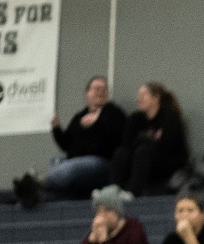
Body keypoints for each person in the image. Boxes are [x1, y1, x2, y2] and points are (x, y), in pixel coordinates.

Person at [18, 76, 130, 208]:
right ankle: (36, 193)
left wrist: (98, 122)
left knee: (70, 168)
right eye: (97, 89)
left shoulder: (115, 113)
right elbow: (66, 144)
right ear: (87, 93)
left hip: (100, 163)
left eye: (104, 89)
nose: (101, 92)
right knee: (58, 163)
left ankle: (38, 183)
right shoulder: (79, 116)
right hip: (76, 162)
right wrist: (56, 130)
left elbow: (120, 139)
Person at [111, 82, 190, 197]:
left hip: (168, 162)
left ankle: (133, 193)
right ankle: (113, 190)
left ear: (156, 98)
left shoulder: (170, 117)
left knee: (144, 152)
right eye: (139, 95)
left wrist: (141, 141)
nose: (139, 98)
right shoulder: (135, 118)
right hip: (142, 161)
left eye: (144, 95)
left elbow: (166, 146)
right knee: (121, 152)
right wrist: (151, 140)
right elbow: (126, 144)